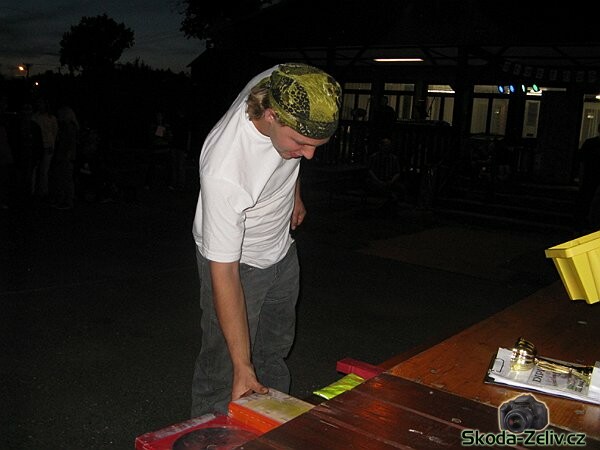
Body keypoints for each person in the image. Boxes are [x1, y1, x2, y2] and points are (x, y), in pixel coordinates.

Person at [190, 62, 341, 417]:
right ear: (271, 116)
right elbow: (224, 273)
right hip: (238, 261)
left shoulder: (289, 86)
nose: (309, 154)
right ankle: (210, 434)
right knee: (225, 370)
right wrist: (242, 366)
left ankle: (270, 429)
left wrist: (295, 192)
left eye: (316, 145)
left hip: (282, 250)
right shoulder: (225, 169)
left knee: (273, 352)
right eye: (301, 143)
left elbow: (295, 154)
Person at [50, 105, 79, 209]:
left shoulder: (68, 127)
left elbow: (69, 143)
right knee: (64, 178)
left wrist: (67, 155)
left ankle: (66, 201)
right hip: (65, 155)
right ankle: (64, 199)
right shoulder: (68, 126)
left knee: (65, 178)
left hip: (65, 156)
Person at [32, 98, 58, 201]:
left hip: (47, 146)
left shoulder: (51, 118)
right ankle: (33, 190)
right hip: (37, 146)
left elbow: (54, 133)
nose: (41, 105)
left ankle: (43, 191)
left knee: (44, 170)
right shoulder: (35, 117)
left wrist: (52, 145)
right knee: (35, 169)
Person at [576, 123, 600, 229]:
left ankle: (581, 225)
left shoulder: (590, 143)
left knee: (585, 200)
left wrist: (581, 176)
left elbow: (582, 162)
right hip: (591, 177)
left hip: (589, 176)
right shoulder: (590, 143)